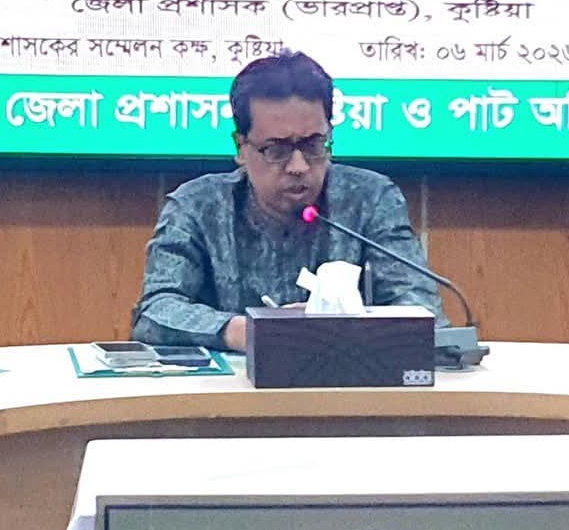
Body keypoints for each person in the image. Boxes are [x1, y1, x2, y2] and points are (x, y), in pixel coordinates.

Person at [131, 51, 440, 351]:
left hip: (350, 382)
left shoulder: (370, 199)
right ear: (241, 148)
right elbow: (154, 312)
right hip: (233, 384)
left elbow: (423, 312)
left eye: (313, 145)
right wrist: (245, 331)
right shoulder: (198, 206)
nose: (298, 166)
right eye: (277, 149)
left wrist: (343, 328)